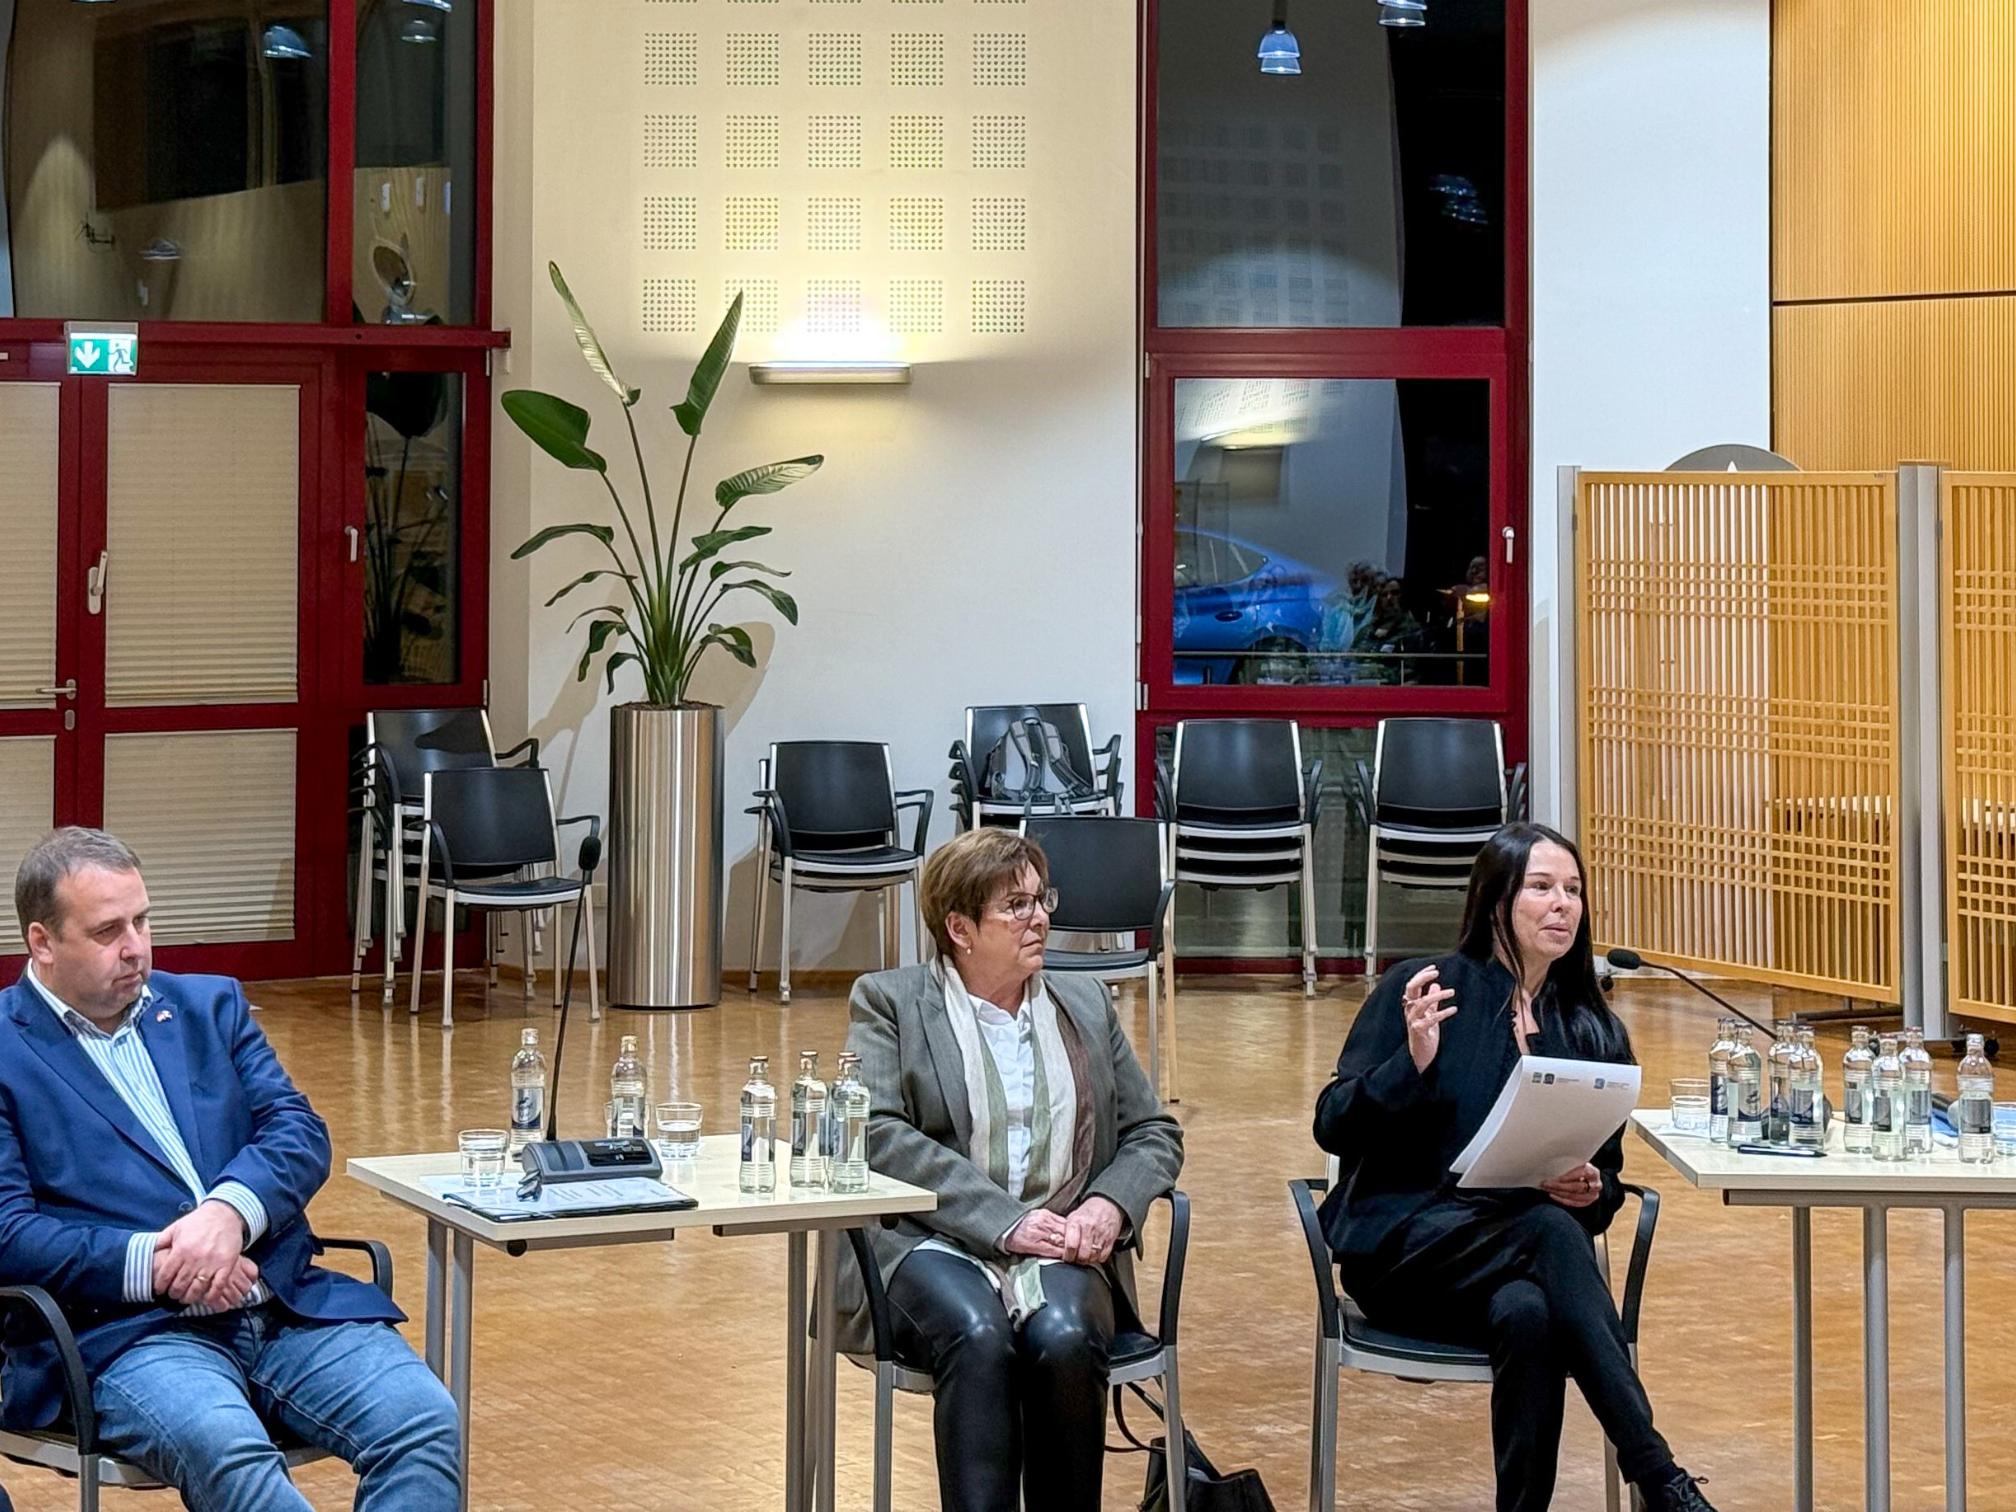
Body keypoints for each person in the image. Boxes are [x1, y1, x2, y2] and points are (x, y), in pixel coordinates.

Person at [0, 828, 459, 1510]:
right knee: (233, 1455)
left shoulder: (207, 1006)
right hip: (127, 1334)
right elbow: (10, 1232)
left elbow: (297, 1131)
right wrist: (160, 1263)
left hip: (281, 1303)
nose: (136, 947)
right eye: (106, 931)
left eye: (142, 920)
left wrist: (226, 1217)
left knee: (425, 1424)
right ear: (42, 942)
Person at [1313, 823, 1714, 1512]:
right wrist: (1408, 1061)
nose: (1562, 904)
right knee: (1549, 1235)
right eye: (1541, 887)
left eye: (1574, 890)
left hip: (1514, 1259)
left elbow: (1607, 1178)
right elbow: (1333, 1121)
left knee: (1530, 1311)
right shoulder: (1427, 988)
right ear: (1497, 899)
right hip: (1409, 1251)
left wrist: (1591, 1189)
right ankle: (1656, 1474)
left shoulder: (1590, 1025)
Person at [837, 827, 1183, 1512]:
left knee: (1062, 1337)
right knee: (979, 1334)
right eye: (1016, 906)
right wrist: (1006, 1222)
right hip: (928, 1238)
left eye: (1040, 899)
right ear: (960, 928)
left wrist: (1108, 1206)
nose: (1040, 918)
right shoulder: (891, 1001)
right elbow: (874, 1131)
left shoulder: (1083, 1005)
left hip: (1063, 1239)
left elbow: (1153, 1132)